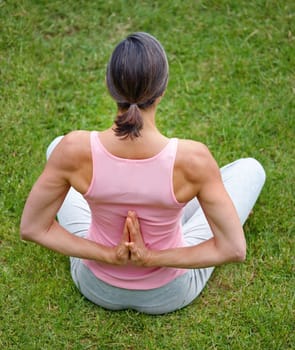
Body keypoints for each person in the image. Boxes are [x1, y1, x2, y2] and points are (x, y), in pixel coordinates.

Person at [20, 32, 266, 314]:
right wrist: (151, 257)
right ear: (162, 90)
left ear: (109, 86)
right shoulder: (194, 159)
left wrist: (108, 255)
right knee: (250, 169)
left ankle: (180, 203)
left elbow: (32, 227)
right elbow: (233, 249)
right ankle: (189, 203)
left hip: (95, 285)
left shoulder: (74, 149)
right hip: (168, 293)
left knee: (56, 147)